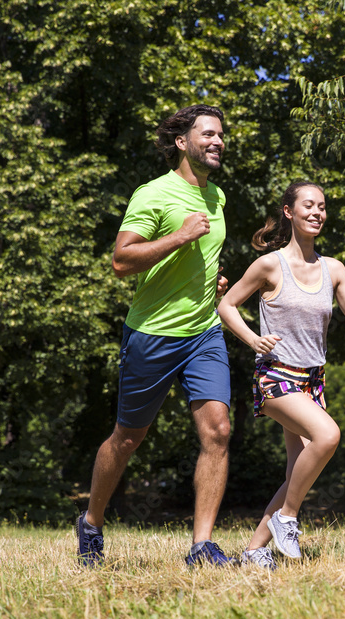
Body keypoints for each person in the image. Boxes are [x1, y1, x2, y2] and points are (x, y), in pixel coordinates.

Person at [76, 104, 236, 568]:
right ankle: (91, 522)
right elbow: (122, 261)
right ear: (182, 142)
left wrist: (212, 282)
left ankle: (201, 546)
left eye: (221, 135)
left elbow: (199, 259)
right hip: (153, 334)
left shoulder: (218, 197)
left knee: (219, 432)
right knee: (127, 438)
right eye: (208, 133)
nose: (218, 141)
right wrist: (180, 237)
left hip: (203, 332)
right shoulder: (154, 194)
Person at [217, 180, 345, 568]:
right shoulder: (270, 264)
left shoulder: (333, 269)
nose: (317, 212)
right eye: (308, 205)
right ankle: (288, 518)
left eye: (322, 206)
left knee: (297, 476)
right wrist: (254, 340)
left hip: (312, 381)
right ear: (289, 211)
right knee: (328, 435)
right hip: (276, 376)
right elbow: (227, 305)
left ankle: (254, 551)